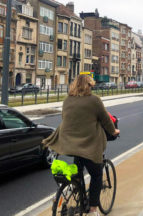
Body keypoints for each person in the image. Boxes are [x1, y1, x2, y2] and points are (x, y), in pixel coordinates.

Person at [42, 75, 120, 216]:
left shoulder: (67, 101)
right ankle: (92, 210)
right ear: (88, 86)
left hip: (68, 143)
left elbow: (66, 119)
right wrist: (114, 131)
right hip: (87, 145)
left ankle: (73, 188)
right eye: (91, 85)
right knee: (96, 175)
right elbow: (106, 120)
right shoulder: (94, 101)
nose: (92, 88)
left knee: (78, 171)